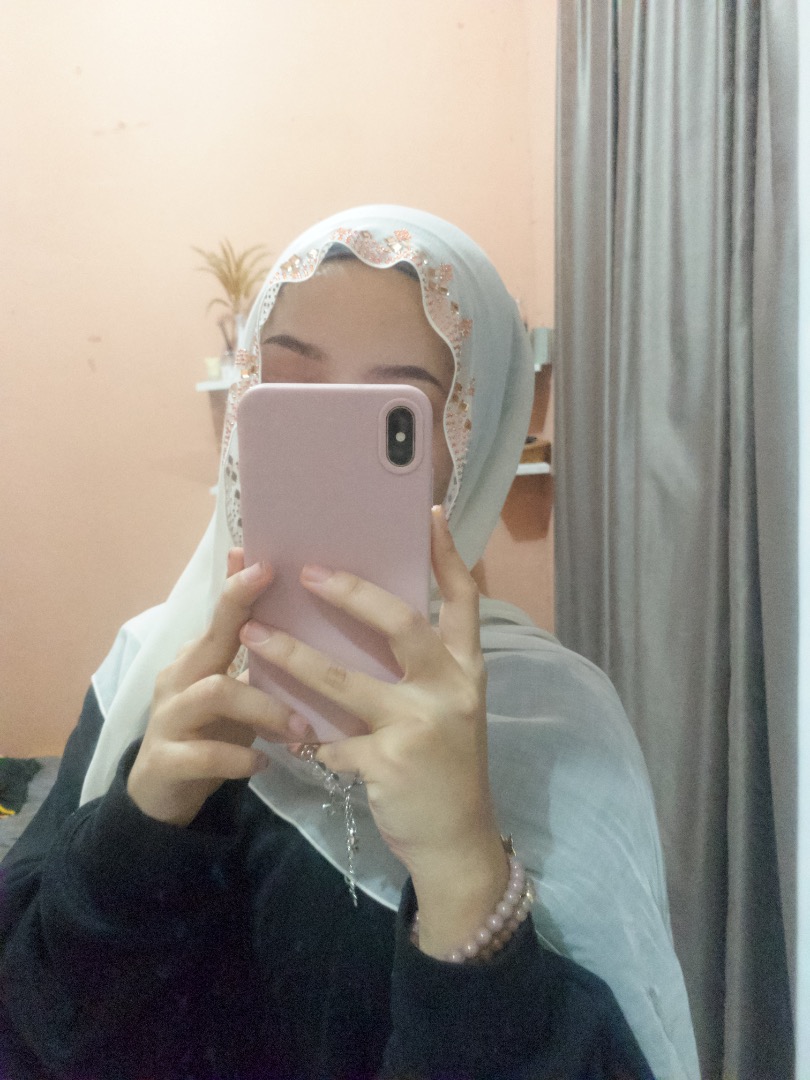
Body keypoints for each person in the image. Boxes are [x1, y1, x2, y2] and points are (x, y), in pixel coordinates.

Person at [0, 207, 699, 1079]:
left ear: (471, 446)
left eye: (390, 413)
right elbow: (35, 1029)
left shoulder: (555, 723)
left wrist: (464, 871)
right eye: (290, 391)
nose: (327, 441)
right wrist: (140, 824)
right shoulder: (151, 669)